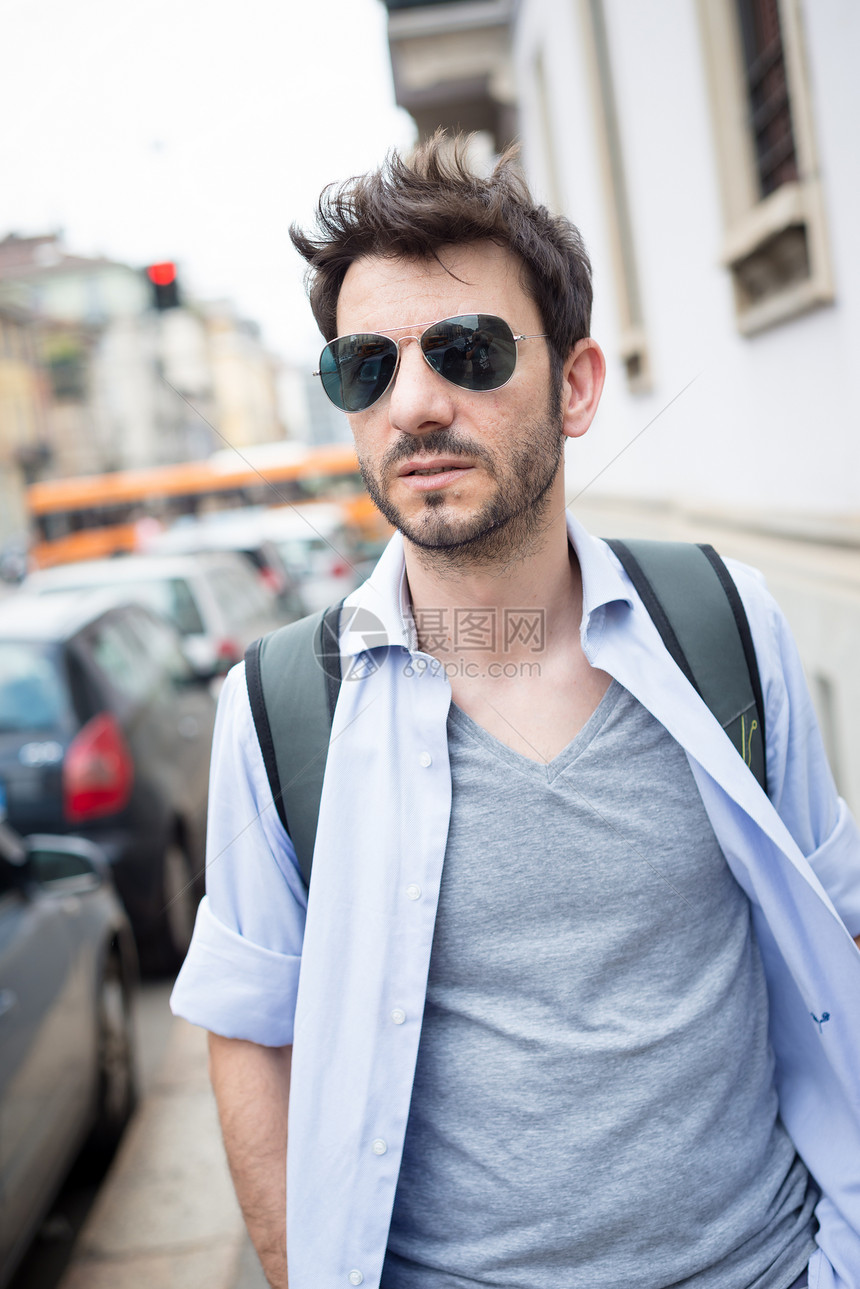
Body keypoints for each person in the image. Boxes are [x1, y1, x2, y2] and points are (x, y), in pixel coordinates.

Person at [171, 135, 860, 1289]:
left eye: (468, 350)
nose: (416, 403)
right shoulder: (280, 707)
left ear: (575, 384)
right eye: (366, 368)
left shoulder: (722, 624)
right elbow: (251, 1024)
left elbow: (834, 925)